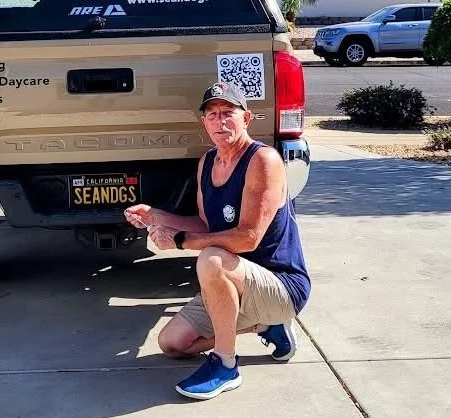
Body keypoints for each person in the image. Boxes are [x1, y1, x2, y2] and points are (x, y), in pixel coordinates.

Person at [124, 81, 311, 401]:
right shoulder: (207, 162)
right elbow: (205, 224)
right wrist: (157, 216)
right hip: (235, 280)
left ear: (247, 118)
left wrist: (180, 241)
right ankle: (268, 328)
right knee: (172, 344)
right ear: (204, 122)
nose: (219, 121)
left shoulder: (263, 160)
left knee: (210, 258)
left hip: (280, 286)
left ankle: (225, 364)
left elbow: (247, 238)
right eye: (211, 115)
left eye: (228, 113)